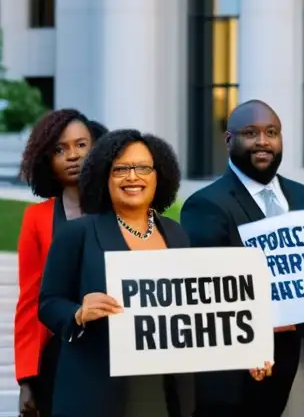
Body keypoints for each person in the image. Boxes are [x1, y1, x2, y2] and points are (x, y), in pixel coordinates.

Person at [179, 99, 304, 417]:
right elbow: (204, 293)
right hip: (229, 375)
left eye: (271, 132)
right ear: (229, 140)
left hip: (289, 364)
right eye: (251, 132)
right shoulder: (205, 205)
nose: (263, 141)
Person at [37, 128, 193, 417]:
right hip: (97, 391)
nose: (132, 177)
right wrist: (77, 313)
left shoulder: (177, 234)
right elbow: (48, 303)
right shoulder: (77, 234)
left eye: (143, 168)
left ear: (159, 175)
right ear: (103, 177)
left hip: (164, 391)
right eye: (120, 169)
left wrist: (248, 349)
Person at [15, 109, 106, 417]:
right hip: (61, 354)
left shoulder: (123, 210)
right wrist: (27, 378)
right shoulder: (36, 219)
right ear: (46, 160)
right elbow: (30, 301)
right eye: (60, 149)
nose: (72, 156)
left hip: (117, 350)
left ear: (98, 149)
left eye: (82, 145)